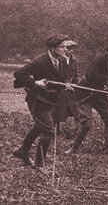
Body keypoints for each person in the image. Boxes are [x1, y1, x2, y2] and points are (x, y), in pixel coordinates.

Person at [12, 34, 74, 167]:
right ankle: (39, 164)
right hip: (37, 100)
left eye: (65, 46)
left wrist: (65, 85)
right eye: (62, 47)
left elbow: (59, 79)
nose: (65, 49)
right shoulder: (39, 61)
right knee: (48, 131)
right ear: (52, 48)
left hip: (51, 101)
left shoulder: (62, 60)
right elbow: (18, 74)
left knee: (38, 127)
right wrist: (35, 83)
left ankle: (22, 151)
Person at [65, 39, 108, 155]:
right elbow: (91, 75)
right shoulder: (100, 60)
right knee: (87, 124)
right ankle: (74, 148)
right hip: (85, 94)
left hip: (99, 95)